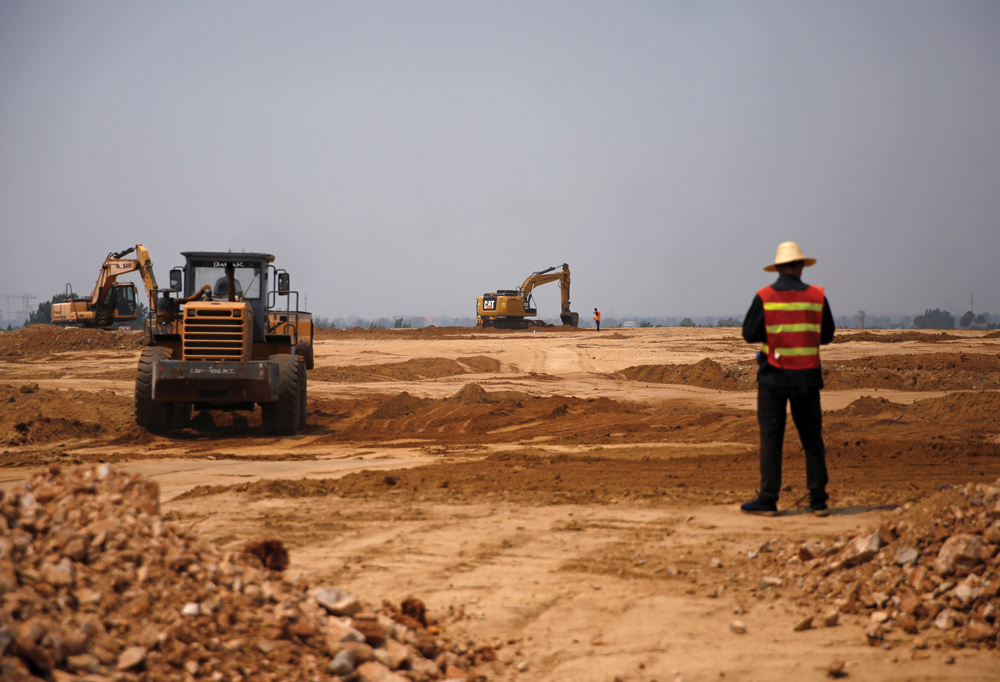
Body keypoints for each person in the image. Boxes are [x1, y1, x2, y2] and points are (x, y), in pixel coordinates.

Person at [740, 242, 835, 517]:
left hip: (773, 378)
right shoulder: (817, 296)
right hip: (807, 377)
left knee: (771, 438)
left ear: (778, 268)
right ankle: (818, 500)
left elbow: (749, 333)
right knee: (812, 439)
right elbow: (827, 335)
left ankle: (768, 499)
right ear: (801, 267)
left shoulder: (765, 296)